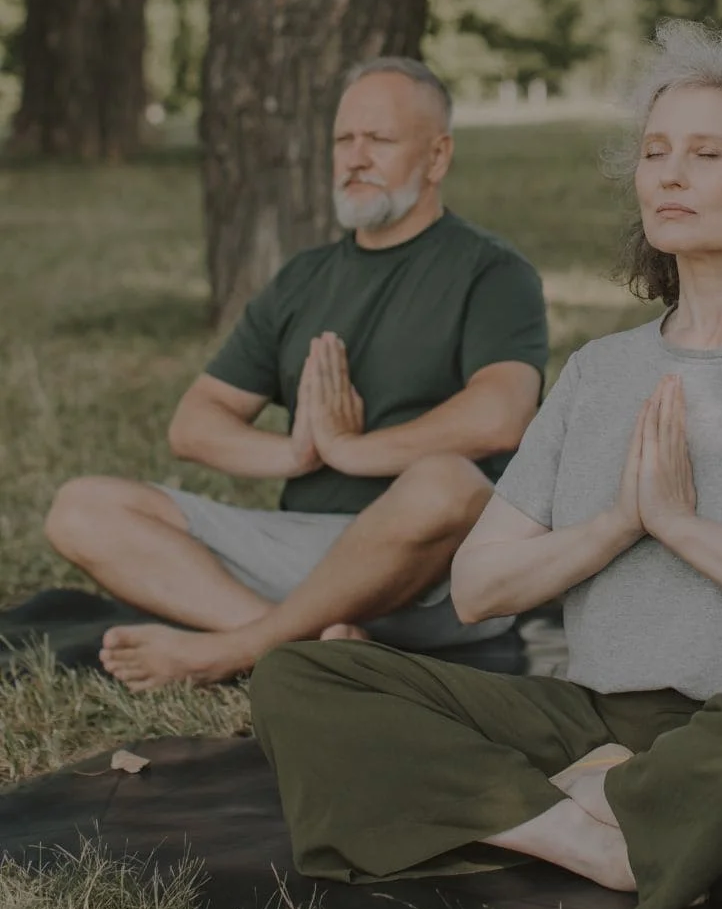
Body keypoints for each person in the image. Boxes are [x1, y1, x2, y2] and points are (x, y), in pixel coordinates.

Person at [250, 21, 722, 909]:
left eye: (705, 152)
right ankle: (589, 835)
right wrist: (619, 522)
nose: (671, 174)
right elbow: (477, 587)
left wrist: (682, 525)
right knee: (303, 678)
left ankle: (558, 806)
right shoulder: (597, 375)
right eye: (656, 153)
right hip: (600, 726)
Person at [44, 58, 548, 692]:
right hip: (307, 560)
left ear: (437, 156)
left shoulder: (493, 272)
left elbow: (501, 417)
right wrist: (298, 452)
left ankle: (232, 652)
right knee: (81, 507)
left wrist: (352, 450)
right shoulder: (302, 279)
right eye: (344, 140)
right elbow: (194, 425)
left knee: (449, 483)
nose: (355, 157)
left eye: (380, 140)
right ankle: (312, 648)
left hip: (439, 574)